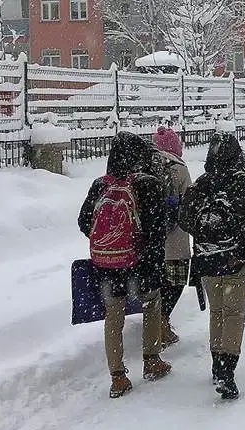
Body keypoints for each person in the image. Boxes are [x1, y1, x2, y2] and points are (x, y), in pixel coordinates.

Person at [179, 132, 245, 400]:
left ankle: (216, 364)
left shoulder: (201, 184)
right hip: (238, 256)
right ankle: (227, 370)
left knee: (218, 312)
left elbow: (184, 219)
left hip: (207, 258)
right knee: (234, 314)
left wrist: (205, 232)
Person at [77, 131, 171, 399]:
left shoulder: (100, 185)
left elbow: (84, 221)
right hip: (143, 262)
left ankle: (117, 376)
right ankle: (152, 360)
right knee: (152, 305)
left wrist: (110, 240)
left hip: (108, 264)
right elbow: (158, 227)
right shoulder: (148, 184)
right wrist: (144, 249)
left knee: (113, 316)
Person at [152, 126, 193, 347]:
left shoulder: (146, 166)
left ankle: (154, 322)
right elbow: (190, 203)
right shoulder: (180, 169)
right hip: (175, 240)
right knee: (175, 283)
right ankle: (162, 321)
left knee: (156, 284)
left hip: (151, 239)